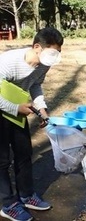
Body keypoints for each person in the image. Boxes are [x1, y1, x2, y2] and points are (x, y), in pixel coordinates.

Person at [0, 27, 63, 221]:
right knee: (2, 160)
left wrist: (41, 107)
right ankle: (7, 204)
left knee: (24, 153)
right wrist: (15, 108)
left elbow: (35, 84)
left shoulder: (44, 64)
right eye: (53, 52)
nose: (55, 57)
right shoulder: (8, 62)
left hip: (17, 108)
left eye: (58, 52)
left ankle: (26, 195)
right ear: (37, 47)